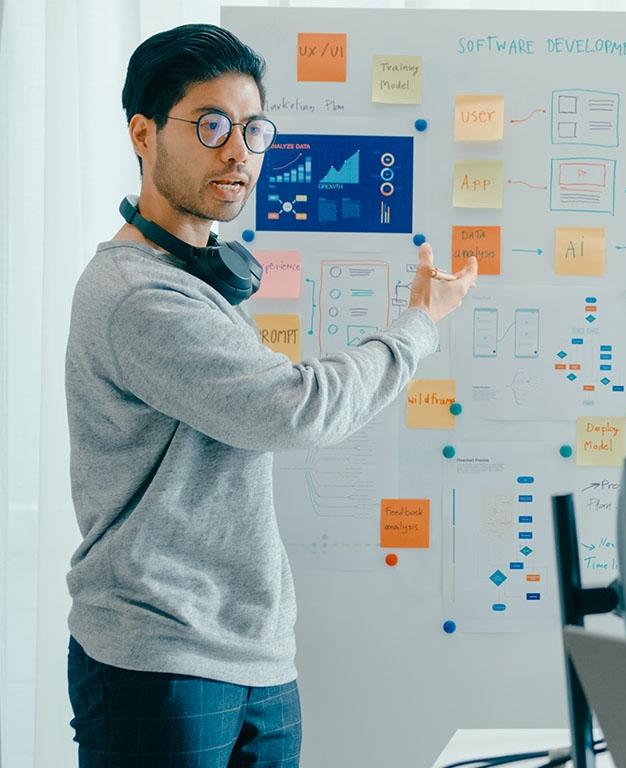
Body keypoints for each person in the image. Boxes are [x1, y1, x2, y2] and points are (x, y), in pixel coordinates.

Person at [65, 23, 477, 768]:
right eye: (212, 124)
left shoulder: (196, 280)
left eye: (253, 129)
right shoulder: (139, 295)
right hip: (163, 660)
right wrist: (418, 327)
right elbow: (294, 408)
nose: (239, 152)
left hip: (254, 655)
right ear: (143, 133)